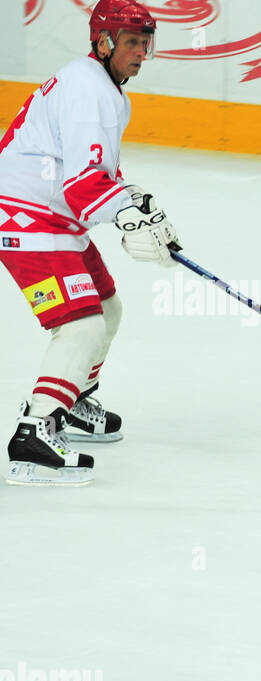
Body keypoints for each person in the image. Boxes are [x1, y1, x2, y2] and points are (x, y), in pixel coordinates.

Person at [1, 0, 180, 486]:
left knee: (109, 309)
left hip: (52, 217)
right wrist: (125, 218)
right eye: (131, 42)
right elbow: (84, 188)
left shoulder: (103, 88)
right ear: (103, 43)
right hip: (26, 219)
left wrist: (136, 205)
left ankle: (72, 401)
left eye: (146, 41)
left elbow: (97, 174)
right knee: (81, 327)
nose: (141, 52)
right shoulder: (90, 91)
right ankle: (34, 434)